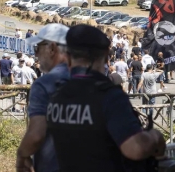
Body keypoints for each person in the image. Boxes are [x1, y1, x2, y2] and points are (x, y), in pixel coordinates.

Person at [46, 24, 165, 171]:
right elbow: (134, 148)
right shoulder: (109, 96)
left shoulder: (56, 97)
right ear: (106, 57)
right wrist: (155, 137)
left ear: (68, 58)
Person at [16, 24, 70, 172]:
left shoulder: (45, 84)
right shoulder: (91, 80)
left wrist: (22, 155)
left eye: (37, 48)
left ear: (52, 48)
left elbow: (37, 134)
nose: (36, 55)